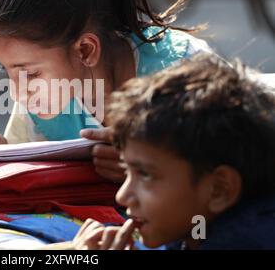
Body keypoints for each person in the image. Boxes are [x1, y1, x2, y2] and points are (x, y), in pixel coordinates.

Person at [0, 0, 212, 183]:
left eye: (31, 73)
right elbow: (26, 163)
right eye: (5, 70)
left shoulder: (184, 73)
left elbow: (233, 175)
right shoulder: (41, 99)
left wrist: (150, 173)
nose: (17, 93)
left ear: (85, 50)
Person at [73, 53, 275, 249]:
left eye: (145, 174)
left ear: (219, 190)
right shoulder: (197, 224)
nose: (122, 196)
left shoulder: (243, 241)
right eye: (127, 171)